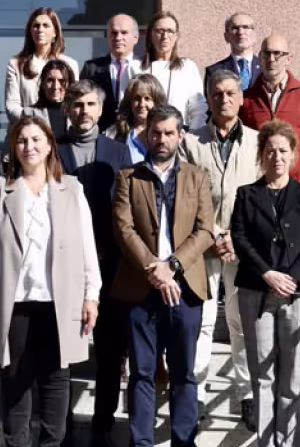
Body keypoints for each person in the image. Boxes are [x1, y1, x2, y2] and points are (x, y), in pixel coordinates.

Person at [0, 115, 102, 447]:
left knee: (56, 383)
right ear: (13, 147)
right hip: (14, 305)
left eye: (35, 139)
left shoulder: (71, 189)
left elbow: (88, 246)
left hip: (59, 304)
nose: (29, 146)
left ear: (48, 145)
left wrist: (92, 295)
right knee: (15, 383)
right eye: (22, 140)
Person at [111, 104, 215, 447]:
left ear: (180, 136)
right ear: (146, 134)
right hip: (142, 288)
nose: (162, 139)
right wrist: (154, 269)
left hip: (185, 289)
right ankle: (140, 442)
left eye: (169, 132)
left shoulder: (198, 177)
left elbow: (205, 232)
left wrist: (172, 266)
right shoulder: (128, 177)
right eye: (156, 132)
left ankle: (183, 441)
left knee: (184, 373)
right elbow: (124, 230)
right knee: (141, 372)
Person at [231, 119, 300, 447]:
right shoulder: (246, 195)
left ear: (295, 154)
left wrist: (291, 278)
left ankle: (290, 442)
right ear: (261, 155)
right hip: (256, 292)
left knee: (293, 376)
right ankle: (266, 442)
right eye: (270, 150)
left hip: (299, 294)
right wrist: (267, 273)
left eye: (283, 150)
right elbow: (240, 239)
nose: (277, 157)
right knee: (263, 376)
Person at [180, 69, 261, 426]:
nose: (223, 99)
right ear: (207, 99)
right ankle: (195, 395)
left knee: (242, 321)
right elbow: (184, 194)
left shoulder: (259, 142)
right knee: (203, 320)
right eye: (216, 94)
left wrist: (236, 236)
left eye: (230, 93)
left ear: (241, 97)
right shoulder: (191, 142)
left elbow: (262, 195)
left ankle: (247, 394)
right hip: (203, 245)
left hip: (243, 245)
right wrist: (213, 234)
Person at [56, 81, 133, 447]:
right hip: (64, 264)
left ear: (101, 110)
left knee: (109, 348)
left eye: (90, 104)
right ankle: (62, 422)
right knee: (64, 349)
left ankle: (104, 422)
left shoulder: (119, 153)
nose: (83, 111)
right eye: (76, 104)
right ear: (67, 109)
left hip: (111, 262)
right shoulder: (52, 150)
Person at [238, 34, 300, 184]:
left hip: (295, 183)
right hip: (257, 183)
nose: (271, 59)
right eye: (267, 53)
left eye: (277, 53)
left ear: (288, 59)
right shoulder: (247, 98)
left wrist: (299, 167)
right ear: (260, 57)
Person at [4, 7, 80, 124]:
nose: (40, 29)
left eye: (46, 25)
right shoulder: (16, 64)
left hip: (61, 134)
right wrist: (36, 121)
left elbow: (74, 102)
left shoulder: (70, 64)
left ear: (55, 32)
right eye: (36, 26)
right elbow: (12, 107)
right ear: (30, 31)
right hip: (26, 131)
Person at [141, 11, 207, 133]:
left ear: (176, 36)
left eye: (170, 31)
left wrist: (193, 135)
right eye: (159, 31)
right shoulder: (137, 67)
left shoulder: (187, 67)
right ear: (150, 34)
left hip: (181, 135)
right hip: (145, 135)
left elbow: (198, 107)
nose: (165, 36)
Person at [80, 14, 142, 132]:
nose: (118, 37)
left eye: (124, 32)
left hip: (136, 134)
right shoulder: (91, 68)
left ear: (136, 37)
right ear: (108, 37)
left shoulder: (145, 67)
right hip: (101, 133)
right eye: (114, 33)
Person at [103, 73, 167, 164]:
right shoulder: (113, 134)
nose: (141, 104)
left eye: (147, 99)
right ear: (129, 102)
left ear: (157, 102)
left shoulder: (169, 133)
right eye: (137, 98)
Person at [23, 58, 75, 138]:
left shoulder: (76, 112)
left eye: (61, 81)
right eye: (50, 80)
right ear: (43, 84)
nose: (55, 86)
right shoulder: (29, 113)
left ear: (69, 84)